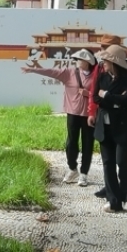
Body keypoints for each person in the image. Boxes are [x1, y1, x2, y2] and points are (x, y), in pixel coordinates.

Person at [22, 49, 97, 186]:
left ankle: (84, 174)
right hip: (72, 112)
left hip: (89, 115)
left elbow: (100, 94)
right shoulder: (70, 73)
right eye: (77, 59)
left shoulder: (97, 75)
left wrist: (88, 93)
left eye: (80, 59)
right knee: (71, 142)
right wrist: (33, 70)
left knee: (88, 144)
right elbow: (51, 72)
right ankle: (72, 168)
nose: (77, 61)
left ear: (88, 61)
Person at [89, 34, 127, 199]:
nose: (102, 50)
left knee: (122, 160)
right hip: (105, 117)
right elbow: (94, 92)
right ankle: (111, 190)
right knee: (108, 159)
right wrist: (92, 112)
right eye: (102, 47)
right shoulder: (100, 68)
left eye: (106, 47)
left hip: (123, 118)